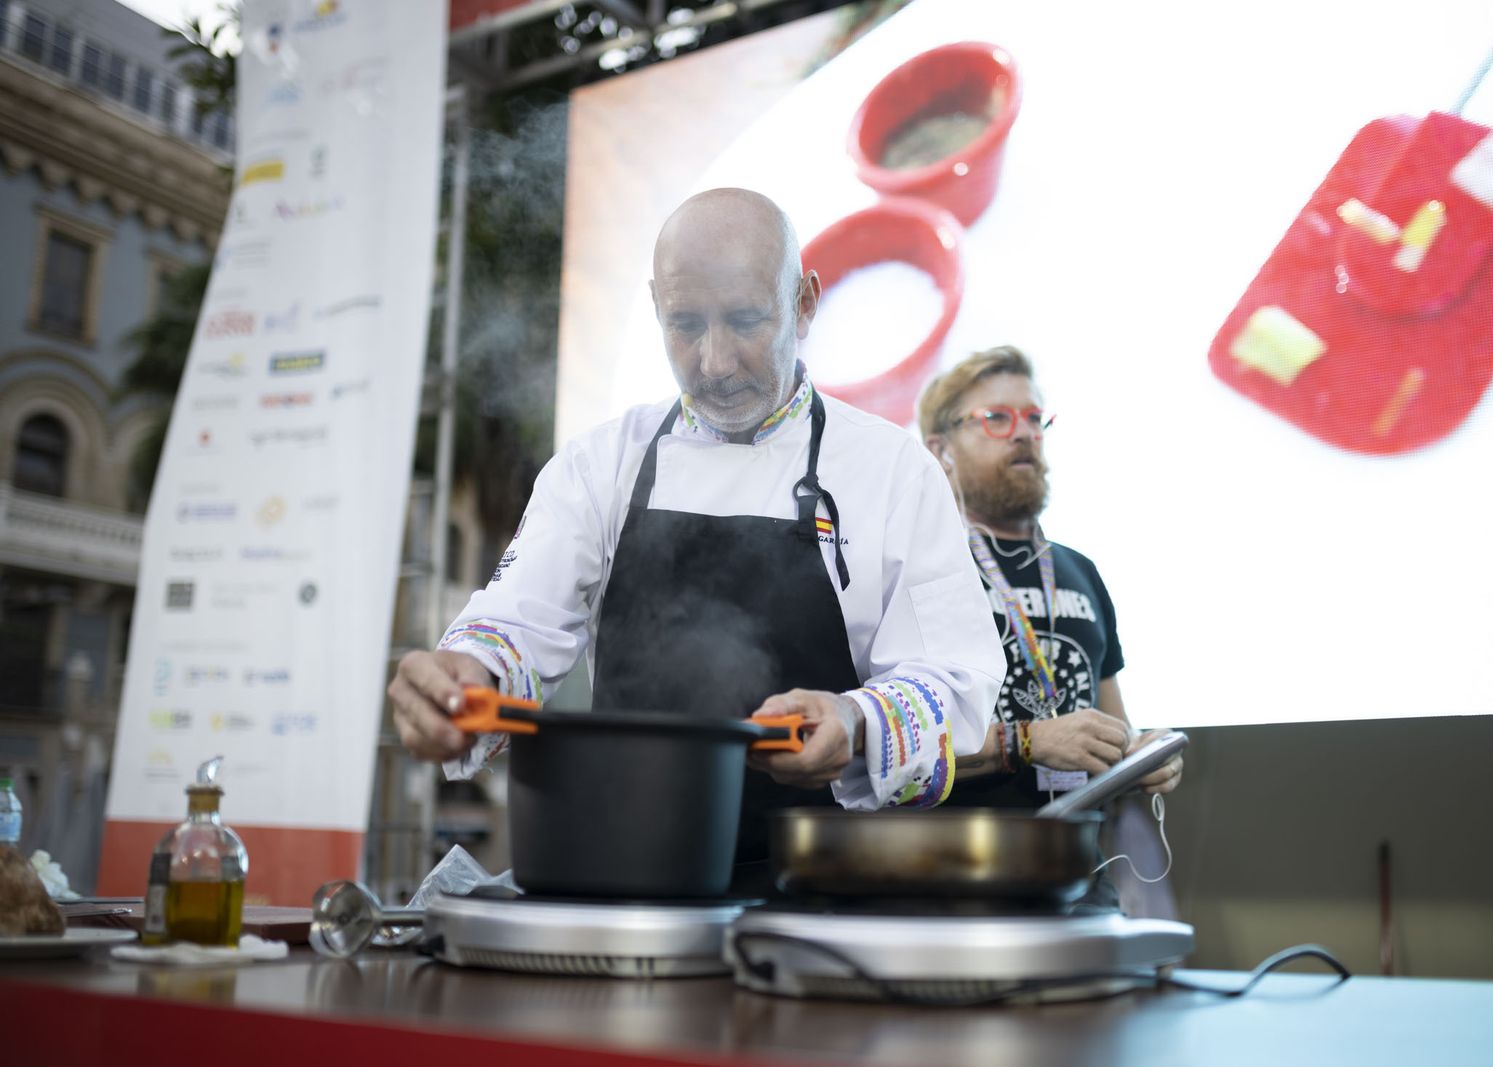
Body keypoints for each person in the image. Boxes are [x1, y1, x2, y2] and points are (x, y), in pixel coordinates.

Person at [389, 189, 1004, 887]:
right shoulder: (603, 465)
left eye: (744, 320)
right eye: (685, 324)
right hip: (627, 881)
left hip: (822, 891)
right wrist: (466, 678)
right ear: (655, 307)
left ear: (804, 303)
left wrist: (856, 718)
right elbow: (514, 627)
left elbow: (958, 682)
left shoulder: (893, 472)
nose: (713, 360)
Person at [917, 346, 1183, 907]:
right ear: (939, 450)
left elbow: (1116, 727)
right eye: (997, 418)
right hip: (956, 877)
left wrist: (1143, 758)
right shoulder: (920, 568)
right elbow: (892, 751)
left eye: (1035, 418)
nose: (1024, 434)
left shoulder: (1081, 570)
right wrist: (1029, 742)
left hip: (1080, 877)